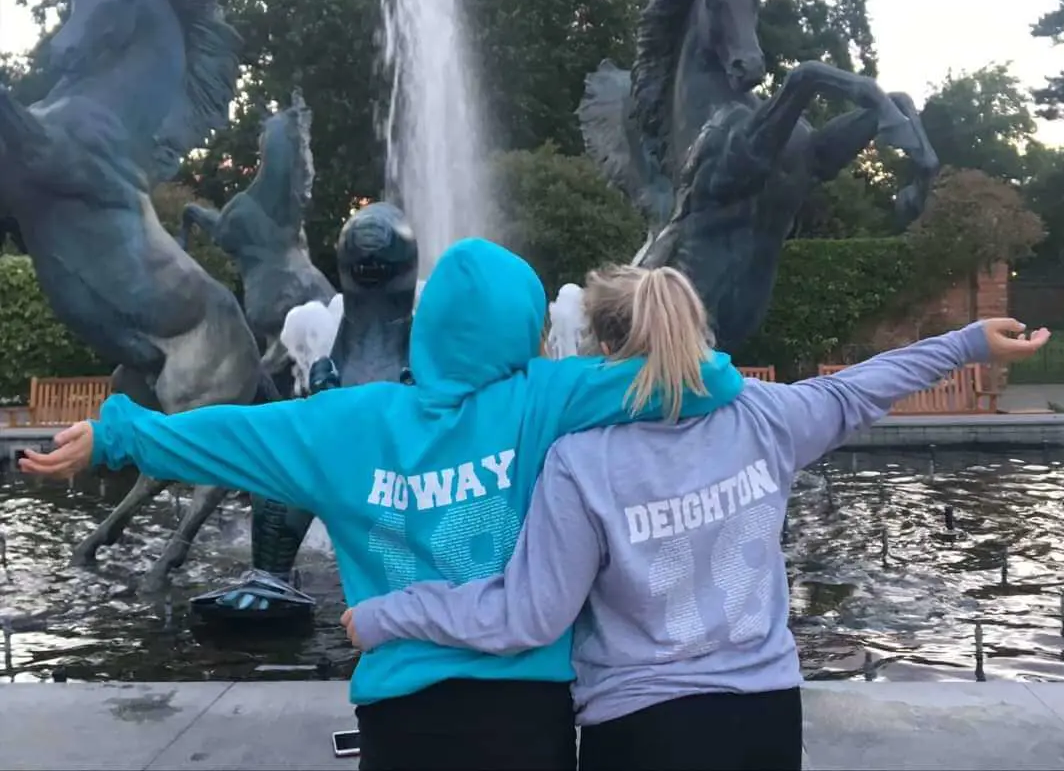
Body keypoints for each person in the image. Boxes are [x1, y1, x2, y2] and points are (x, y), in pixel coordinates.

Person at [18, 238, 748, 771]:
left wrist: (117, 434)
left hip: (401, 721)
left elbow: (229, 434)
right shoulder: (547, 399)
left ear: (427, 328)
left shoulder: (349, 423)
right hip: (527, 720)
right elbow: (707, 378)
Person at [341, 264, 1050, 771]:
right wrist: (965, 344)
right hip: (767, 715)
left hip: (643, 728)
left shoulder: (581, 461)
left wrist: (389, 615)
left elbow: (529, 617)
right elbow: (863, 389)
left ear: (604, 349)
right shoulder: (765, 418)